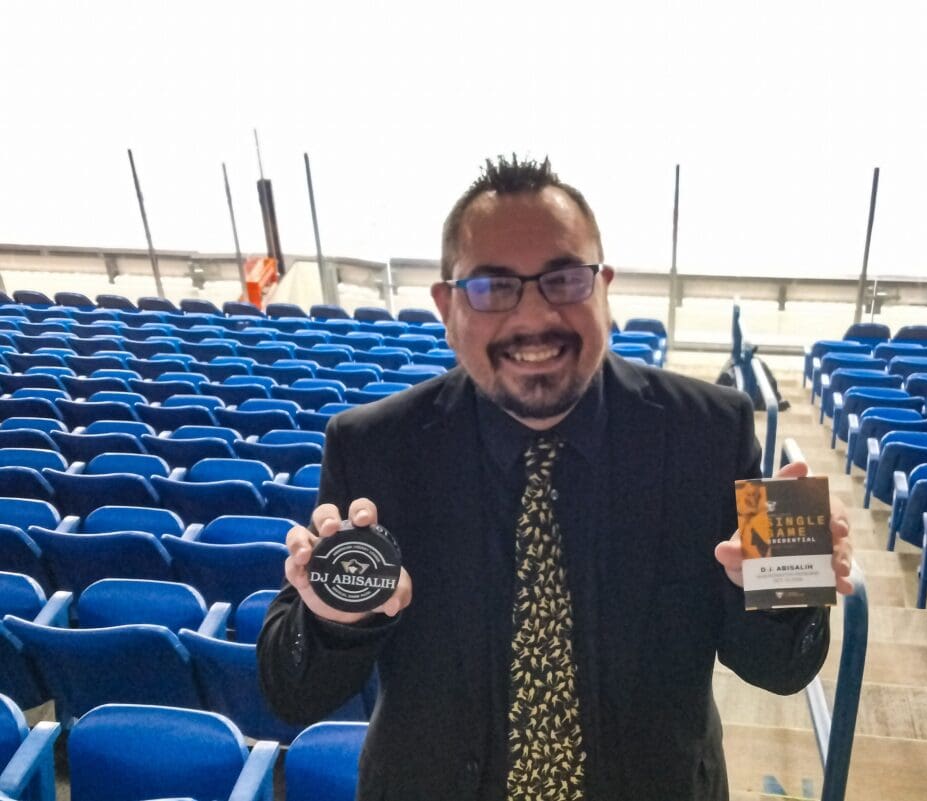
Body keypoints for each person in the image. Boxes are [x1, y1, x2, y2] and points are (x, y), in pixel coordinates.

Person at [257, 155, 854, 801]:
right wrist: (335, 621)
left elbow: (782, 668)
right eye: (492, 286)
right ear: (446, 305)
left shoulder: (709, 429)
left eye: (564, 278)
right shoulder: (373, 445)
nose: (533, 316)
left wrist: (781, 591)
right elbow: (294, 690)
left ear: (603, 286)